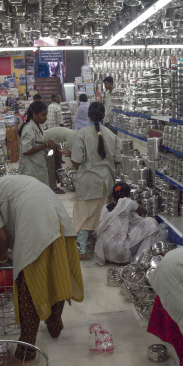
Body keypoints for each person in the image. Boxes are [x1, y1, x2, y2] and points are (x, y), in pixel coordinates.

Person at [0, 175, 84, 366]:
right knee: (56, 275)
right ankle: (54, 323)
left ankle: (25, 354)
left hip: (38, 228)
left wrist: (0, 256)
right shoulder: (3, 184)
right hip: (59, 222)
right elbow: (10, 226)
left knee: (28, 290)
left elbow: (2, 236)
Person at [71, 101, 121, 260]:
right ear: (104, 115)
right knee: (102, 217)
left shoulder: (82, 134)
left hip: (87, 183)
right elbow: (117, 160)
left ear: (88, 116)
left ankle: (81, 249)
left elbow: (76, 161)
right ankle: (103, 249)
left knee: (83, 217)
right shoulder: (112, 135)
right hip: (106, 183)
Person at [94, 182, 162, 266]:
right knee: (150, 223)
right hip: (119, 254)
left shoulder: (105, 207)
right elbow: (144, 211)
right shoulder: (127, 202)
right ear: (129, 195)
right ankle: (140, 260)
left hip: (105, 253)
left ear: (112, 195)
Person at [17, 101, 55, 185]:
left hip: (38, 168)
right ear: (34, 114)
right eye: (43, 115)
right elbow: (26, 150)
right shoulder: (29, 129)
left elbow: (39, 145)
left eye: (46, 115)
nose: (46, 118)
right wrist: (45, 145)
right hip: (30, 170)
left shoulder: (38, 126)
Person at [43, 126, 75, 193]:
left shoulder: (74, 134)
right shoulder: (73, 136)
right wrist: (75, 166)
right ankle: (53, 187)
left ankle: (62, 181)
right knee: (50, 164)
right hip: (47, 140)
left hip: (54, 142)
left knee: (57, 162)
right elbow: (70, 154)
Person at [46, 93, 65, 192]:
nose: (60, 98)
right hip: (56, 138)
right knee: (57, 159)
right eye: (59, 97)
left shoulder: (49, 107)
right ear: (55, 98)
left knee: (51, 160)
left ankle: (59, 180)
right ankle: (59, 181)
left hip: (49, 138)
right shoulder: (58, 108)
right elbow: (61, 123)